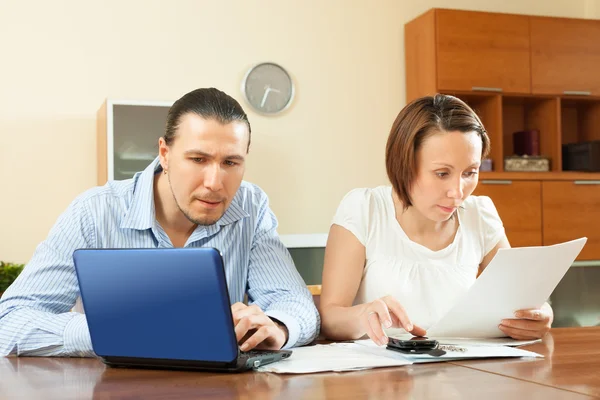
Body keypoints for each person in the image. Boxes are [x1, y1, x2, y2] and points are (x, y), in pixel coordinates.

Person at [0, 88, 319, 357]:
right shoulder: (94, 212)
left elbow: (296, 303)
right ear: (164, 153)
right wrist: (116, 331)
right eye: (198, 159)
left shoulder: (251, 205)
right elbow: (9, 323)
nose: (214, 183)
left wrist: (277, 327)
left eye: (230, 162)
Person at [319, 94, 553, 346]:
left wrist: (541, 314)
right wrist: (362, 315)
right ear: (404, 164)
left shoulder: (479, 215)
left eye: (470, 173)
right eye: (442, 173)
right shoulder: (365, 209)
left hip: (462, 372)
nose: (457, 191)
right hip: (383, 377)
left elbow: (521, 299)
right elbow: (331, 319)